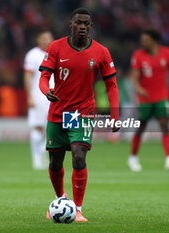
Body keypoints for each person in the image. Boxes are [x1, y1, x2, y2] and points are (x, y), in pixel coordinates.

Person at [38, 8, 119, 222]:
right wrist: (46, 90)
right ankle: (60, 200)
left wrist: (115, 114)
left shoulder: (101, 52)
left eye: (86, 24)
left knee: (78, 156)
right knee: (55, 163)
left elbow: (111, 85)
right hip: (58, 111)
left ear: (91, 27)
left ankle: (78, 208)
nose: (82, 27)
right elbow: (44, 77)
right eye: (79, 23)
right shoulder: (55, 47)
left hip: (82, 112)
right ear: (70, 24)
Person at [128, 29, 169, 172]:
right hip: (145, 99)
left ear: (154, 40)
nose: (143, 42)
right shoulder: (138, 56)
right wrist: (138, 88)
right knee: (141, 128)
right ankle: (133, 158)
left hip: (162, 97)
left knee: (165, 125)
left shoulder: (167, 54)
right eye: (142, 40)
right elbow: (134, 77)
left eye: (146, 40)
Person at [24, 30, 54, 170]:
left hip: (54, 96)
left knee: (54, 128)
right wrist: (29, 96)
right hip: (38, 96)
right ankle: (36, 159)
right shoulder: (32, 55)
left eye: (48, 38)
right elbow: (28, 76)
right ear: (38, 39)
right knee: (37, 126)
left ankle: (42, 152)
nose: (46, 40)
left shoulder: (56, 53)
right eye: (43, 38)